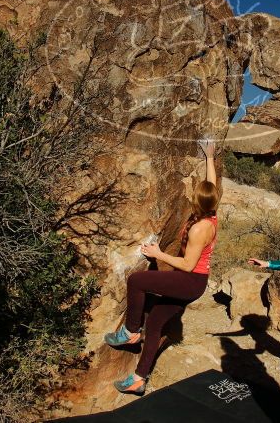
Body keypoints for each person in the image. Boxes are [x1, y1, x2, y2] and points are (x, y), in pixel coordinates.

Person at [103, 139, 219, 395]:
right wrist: (209, 157)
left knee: (137, 281)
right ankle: (138, 379)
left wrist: (158, 254)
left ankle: (130, 332)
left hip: (190, 281)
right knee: (155, 324)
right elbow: (214, 186)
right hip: (192, 282)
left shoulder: (201, 227)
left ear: (198, 202)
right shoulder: (212, 211)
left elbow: (188, 265)